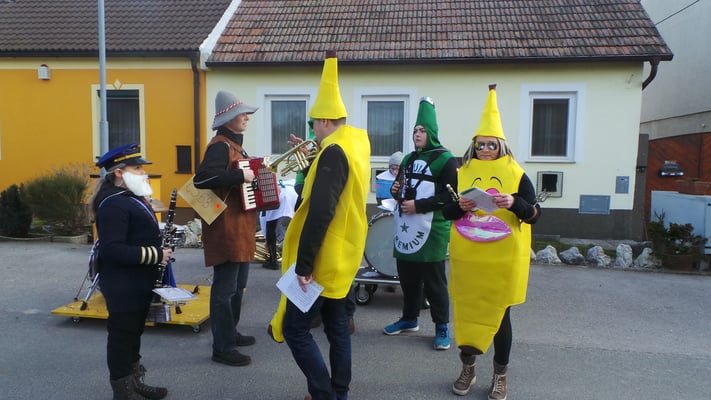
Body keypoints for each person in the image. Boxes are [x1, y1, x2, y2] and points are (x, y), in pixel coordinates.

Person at [268, 51, 371, 400]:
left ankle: (323, 392)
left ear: (325, 120)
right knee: (338, 327)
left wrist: (305, 265)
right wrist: (314, 157)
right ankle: (339, 392)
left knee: (294, 329)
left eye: (314, 124)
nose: (313, 130)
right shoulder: (354, 145)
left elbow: (321, 211)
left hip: (325, 257)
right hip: (345, 254)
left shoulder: (333, 153)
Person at [442, 85, 541, 399]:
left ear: (501, 145)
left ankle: (500, 375)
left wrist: (513, 202)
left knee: (500, 317)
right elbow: (446, 212)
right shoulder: (462, 172)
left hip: (502, 261)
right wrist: (461, 206)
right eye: (480, 144)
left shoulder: (517, 174)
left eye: (491, 145)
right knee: (468, 313)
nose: (485, 149)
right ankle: (468, 369)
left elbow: (534, 214)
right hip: (469, 259)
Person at [91, 143, 171, 400]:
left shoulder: (128, 197)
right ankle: (123, 392)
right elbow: (112, 250)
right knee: (122, 338)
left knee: (134, 333)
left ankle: (134, 382)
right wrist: (156, 255)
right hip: (123, 284)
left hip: (136, 281)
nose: (144, 173)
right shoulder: (113, 204)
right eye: (137, 169)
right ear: (119, 172)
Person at [383, 96, 458, 351]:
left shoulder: (447, 160)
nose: (417, 134)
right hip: (406, 228)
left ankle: (441, 326)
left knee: (435, 282)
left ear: (432, 133)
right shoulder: (407, 159)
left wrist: (419, 206)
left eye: (422, 130)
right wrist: (395, 191)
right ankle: (409, 318)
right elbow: (401, 188)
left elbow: (450, 196)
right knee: (408, 278)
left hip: (432, 229)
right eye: (415, 130)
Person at [193, 90, 258, 367]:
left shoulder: (234, 146)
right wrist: (239, 175)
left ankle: (230, 332)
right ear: (229, 117)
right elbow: (201, 179)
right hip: (226, 229)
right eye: (243, 114)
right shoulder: (220, 146)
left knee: (238, 286)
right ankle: (222, 347)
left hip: (239, 227)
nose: (247, 118)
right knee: (225, 290)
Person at [259, 182, 298, 270]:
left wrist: (267, 240)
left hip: (279, 196)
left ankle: (273, 261)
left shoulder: (264, 199)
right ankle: (287, 247)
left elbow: (264, 221)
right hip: (293, 193)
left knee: (270, 227)